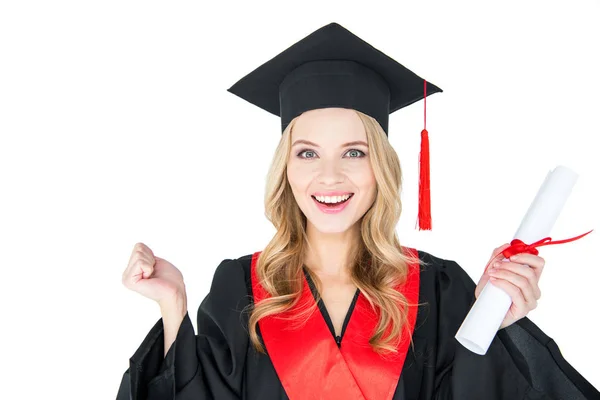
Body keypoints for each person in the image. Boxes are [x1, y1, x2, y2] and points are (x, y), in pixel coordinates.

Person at [116, 23, 600, 400]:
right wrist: (173, 305)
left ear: (381, 167)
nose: (330, 177)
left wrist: (501, 322)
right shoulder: (240, 288)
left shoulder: (439, 288)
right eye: (306, 153)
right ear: (285, 169)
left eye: (354, 152)